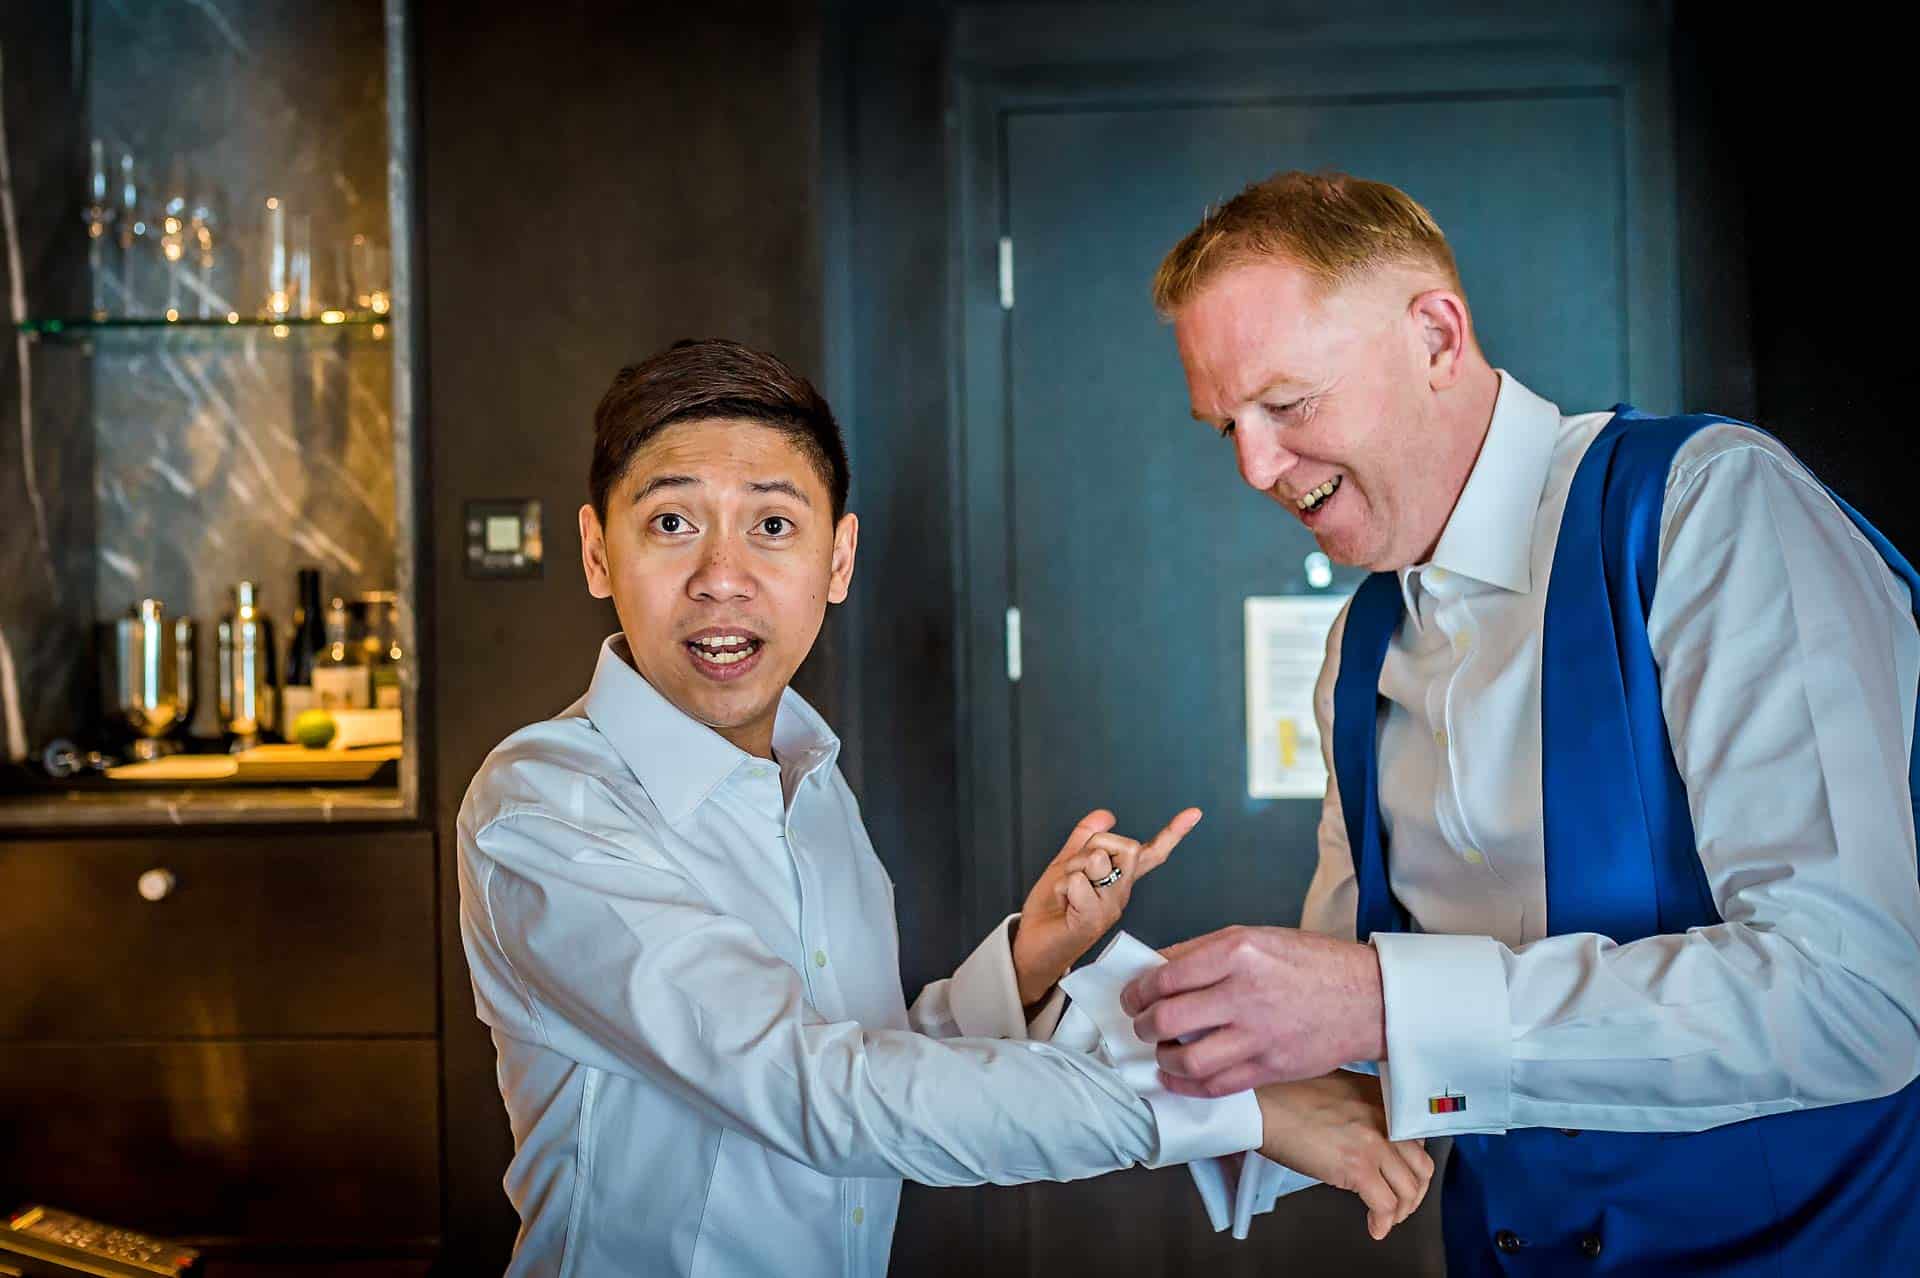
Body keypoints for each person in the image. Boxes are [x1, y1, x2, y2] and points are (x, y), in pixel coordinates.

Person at [456, 337, 1435, 1276]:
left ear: (837, 562)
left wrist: (1028, 959)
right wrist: (1243, 1113)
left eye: (772, 525)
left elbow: (876, 1066)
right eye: (672, 524)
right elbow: (824, 1097)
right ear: (597, 553)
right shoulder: (545, 807)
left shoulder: (809, 777)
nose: (722, 578)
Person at [1115, 170, 1920, 1274]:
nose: (1255, 466)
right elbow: (1359, 1059)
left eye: (1288, 405)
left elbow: (1855, 997)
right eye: (1228, 430)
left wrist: (1378, 1001)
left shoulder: (1707, 509)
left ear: (1437, 336)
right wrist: (1122, 1025)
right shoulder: (1358, 653)